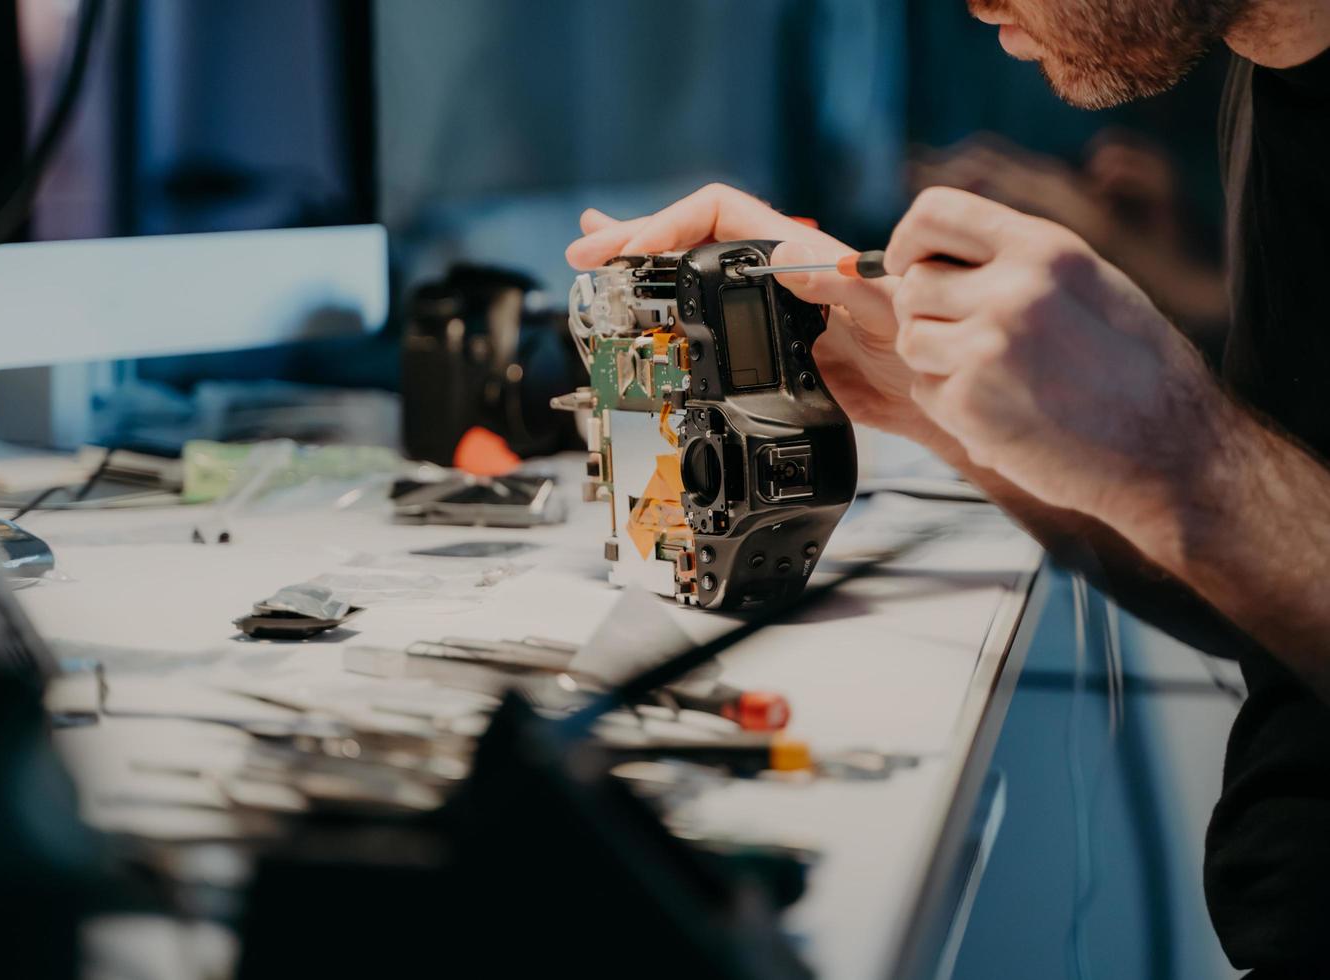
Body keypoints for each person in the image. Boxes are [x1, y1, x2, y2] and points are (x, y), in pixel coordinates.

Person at [566, 0, 1330, 974]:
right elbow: (1273, 584)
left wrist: (1186, 446)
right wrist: (925, 395)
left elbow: (1241, 504)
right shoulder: (1272, 81)